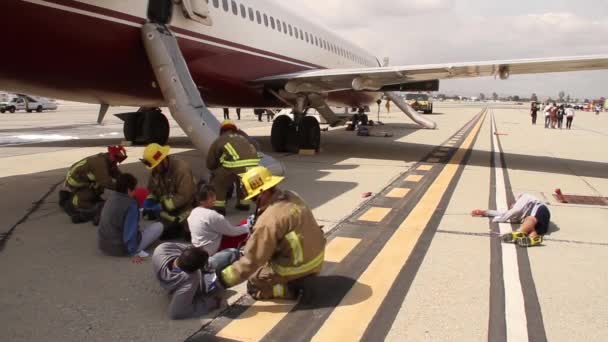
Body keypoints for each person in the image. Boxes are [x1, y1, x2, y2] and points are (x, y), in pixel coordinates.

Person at [217, 166, 326, 300]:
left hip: (299, 266)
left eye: (253, 198)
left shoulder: (268, 221)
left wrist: (222, 280)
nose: (252, 201)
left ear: (262, 193)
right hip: (316, 256)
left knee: (253, 282)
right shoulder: (292, 196)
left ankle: (291, 289)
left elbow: (251, 261)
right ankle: (300, 279)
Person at [152, 242, 240, 320]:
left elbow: (189, 250)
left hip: (181, 282)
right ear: (197, 270)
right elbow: (176, 313)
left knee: (231, 255)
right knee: (232, 254)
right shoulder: (191, 280)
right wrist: (212, 303)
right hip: (202, 285)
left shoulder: (162, 249)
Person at [97, 173, 163, 260]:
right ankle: (132, 248)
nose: (135, 191)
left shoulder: (110, 198)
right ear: (128, 190)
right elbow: (129, 233)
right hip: (120, 249)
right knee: (158, 226)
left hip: (104, 246)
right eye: (134, 189)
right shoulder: (131, 204)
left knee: (139, 226)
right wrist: (134, 252)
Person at [141, 143, 196, 240]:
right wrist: (150, 201)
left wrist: (162, 206)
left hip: (187, 208)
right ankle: (175, 227)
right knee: (162, 235)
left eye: (155, 166)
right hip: (168, 211)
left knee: (189, 237)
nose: (154, 169)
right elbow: (152, 190)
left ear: (163, 160)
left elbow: (184, 196)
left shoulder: (181, 169)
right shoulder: (156, 171)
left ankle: (184, 227)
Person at [59, 145, 127, 223]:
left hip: (86, 182)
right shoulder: (100, 163)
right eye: (117, 158)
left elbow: (117, 174)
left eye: (120, 159)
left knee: (98, 191)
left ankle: (85, 197)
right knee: (93, 195)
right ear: (111, 154)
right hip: (76, 183)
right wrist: (122, 189)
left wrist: (128, 183)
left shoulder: (109, 160)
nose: (118, 161)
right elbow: (106, 182)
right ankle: (73, 201)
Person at [207, 120, 260, 215]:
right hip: (252, 165)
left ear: (222, 130)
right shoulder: (243, 136)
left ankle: (219, 208)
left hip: (235, 166)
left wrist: (214, 170)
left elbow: (211, 162)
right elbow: (256, 145)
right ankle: (243, 204)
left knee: (219, 182)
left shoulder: (221, 139)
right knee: (242, 181)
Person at [187, 184, 251, 255]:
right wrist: (248, 227)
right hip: (212, 250)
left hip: (199, 247)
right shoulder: (212, 215)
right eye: (211, 196)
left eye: (213, 195)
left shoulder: (194, 212)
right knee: (245, 227)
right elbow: (232, 232)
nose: (214, 198)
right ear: (202, 200)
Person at [471, 193, 550, 247]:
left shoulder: (525, 197)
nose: (510, 207)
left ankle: (519, 232)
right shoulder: (524, 212)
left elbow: (515, 210)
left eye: (511, 205)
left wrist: (500, 220)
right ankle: (534, 238)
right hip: (541, 223)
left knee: (530, 220)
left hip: (540, 210)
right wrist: (485, 212)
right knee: (531, 227)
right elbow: (503, 212)